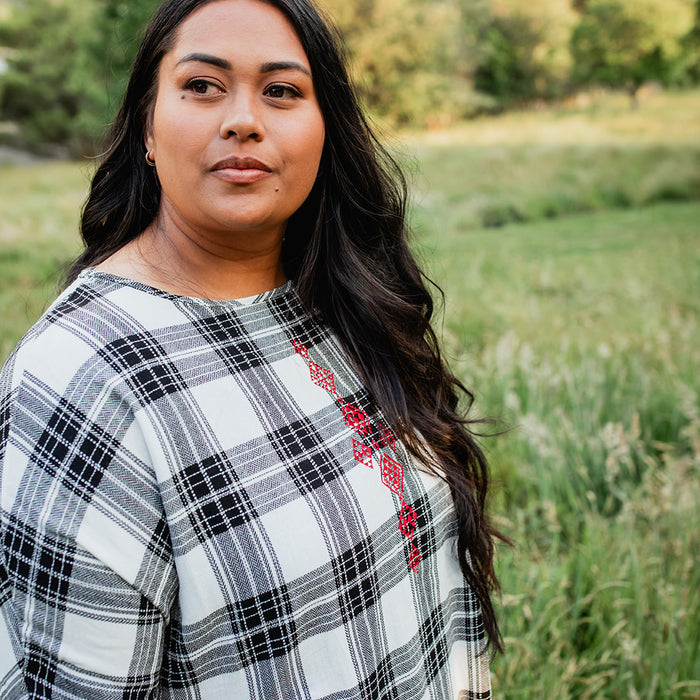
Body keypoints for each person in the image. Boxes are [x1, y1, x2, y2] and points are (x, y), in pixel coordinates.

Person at [0, 0, 503, 697]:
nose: (243, 119)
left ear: (325, 131)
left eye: (282, 91)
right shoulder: (84, 374)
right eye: (202, 86)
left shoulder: (339, 306)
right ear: (148, 123)